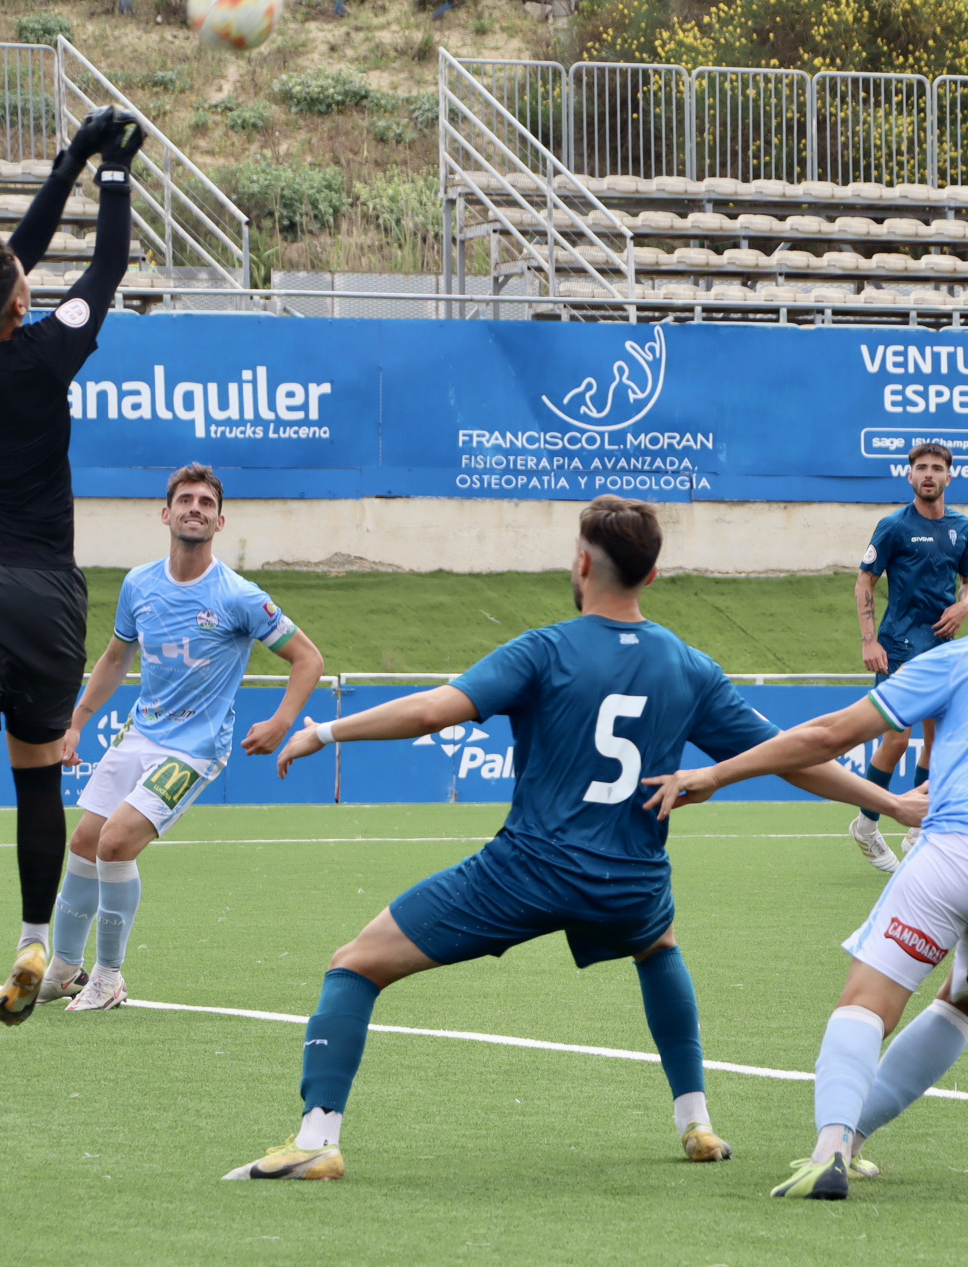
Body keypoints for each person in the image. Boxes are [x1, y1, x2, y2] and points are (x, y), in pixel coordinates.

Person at [222, 496, 922, 1183]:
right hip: (630, 882)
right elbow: (794, 753)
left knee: (354, 965)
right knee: (658, 946)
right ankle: (696, 1121)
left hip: (526, 873)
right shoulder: (689, 666)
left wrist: (325, 730)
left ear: (582, 564)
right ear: (651, 575)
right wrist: (889, 801)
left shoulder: (546, 648)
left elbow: (434, 711)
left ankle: (317, 1138)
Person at [647, 522, 968, 1202]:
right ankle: (858, 1141)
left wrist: (717, 774)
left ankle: (829, 1149)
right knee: (959, 1009)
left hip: (959, 851)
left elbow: (829, 734)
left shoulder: (958, 658)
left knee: (867, 1003)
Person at [0, 106, 146, 1026]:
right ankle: (33, 933)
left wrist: (68, 161)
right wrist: (114, 177)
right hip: (42, 588)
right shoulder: (47, 355)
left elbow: (6, 265)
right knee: (39, 766)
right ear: (20, 303)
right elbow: (106, 267)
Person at [46, 463, 326, 1012]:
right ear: (166, 513)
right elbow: (114, 657)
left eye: (205, 502)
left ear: (220, 521)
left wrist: (280, 721)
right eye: (185, 499)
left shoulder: (240, 596)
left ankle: (108, 977)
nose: (194, 508)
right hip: (140, 734)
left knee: (115, 844)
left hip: (194, 749)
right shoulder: (139, 583)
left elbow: (308, 659)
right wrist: (76, 721)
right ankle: (62, 968)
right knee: (81, 843)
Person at [848, 442, 968, 874]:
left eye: (936, 468)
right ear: (909, 476)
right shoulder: (892, 527)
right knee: (897, 739)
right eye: (920, 467)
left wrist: (966, 604)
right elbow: (864, 583)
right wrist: (869, 641)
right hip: (899, 647)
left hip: (943, 648)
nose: (928, 474)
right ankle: (865, 825)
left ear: (948, 477)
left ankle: (921, 830)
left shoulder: (963, 528)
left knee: (939, 740)